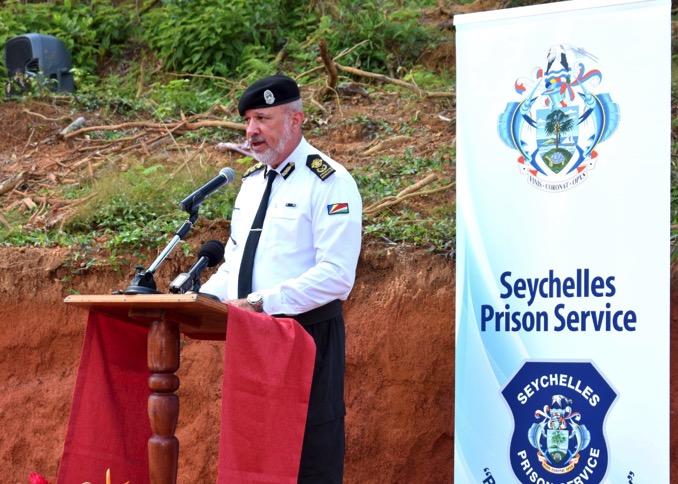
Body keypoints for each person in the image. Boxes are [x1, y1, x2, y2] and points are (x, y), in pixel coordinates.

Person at [200, 74, 362, 483]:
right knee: (254, 458)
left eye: (262, 119)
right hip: (252, 340)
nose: (251, 131)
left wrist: (260, 303)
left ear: (295, 120)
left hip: (305, 339)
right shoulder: (251, 185)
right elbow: (235, 263)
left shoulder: (329, 181)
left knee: (307, 459)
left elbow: (336, 275)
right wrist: (199, 300)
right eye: (247, 120)